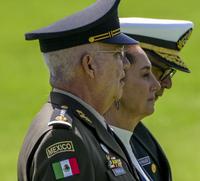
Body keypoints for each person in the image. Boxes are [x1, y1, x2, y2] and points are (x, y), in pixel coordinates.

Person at [17, 0, 140, 181]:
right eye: (117, 54)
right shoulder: (63, 140)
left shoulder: (85, 125)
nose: (126, 64)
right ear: (89, 65)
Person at [117, 17, 194, 181]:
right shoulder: (80, 139)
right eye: (153, 71)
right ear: (118, 68)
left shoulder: (139, 137)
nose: (165, 84)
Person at [104, 45, 161, 181]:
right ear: (119, 81)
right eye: (145, 74)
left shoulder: (131, 143)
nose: (157, 85)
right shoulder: (97, 150)